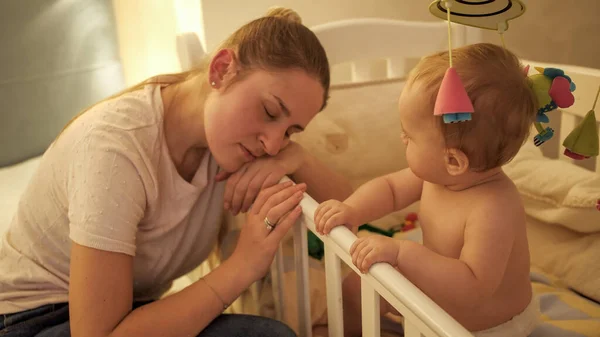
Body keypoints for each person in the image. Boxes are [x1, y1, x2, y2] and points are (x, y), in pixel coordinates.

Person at [0, 7, 352, 337]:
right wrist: (244, 265)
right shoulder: (116, 150)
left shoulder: (235, 146)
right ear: (221, 70)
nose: (273, 144)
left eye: (290, 132)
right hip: (31, 318)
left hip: (129, 311)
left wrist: (297, 159)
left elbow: (354, 212)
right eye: (270, 112)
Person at [314, 43, 540, 337]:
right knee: (356, 287)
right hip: (439, 298)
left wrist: (401, 253)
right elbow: (391, 189)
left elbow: (472, 287)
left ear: (453, 160)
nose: (402, 138)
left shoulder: (493, 209)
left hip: (485, 329)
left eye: (409, 135)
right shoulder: (440, 176)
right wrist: (353, 209)